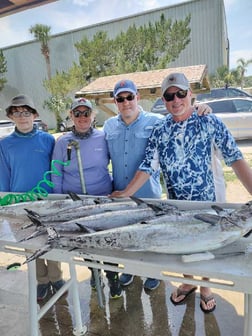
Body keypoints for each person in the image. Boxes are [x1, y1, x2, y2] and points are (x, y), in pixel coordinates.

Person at [110, 73, 252, 313]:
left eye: (181, 93)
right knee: (184, 248)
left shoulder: (210, 121)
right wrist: (126, 193)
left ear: (191, 94)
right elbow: (148, 166)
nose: (176, 99)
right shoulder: (160, 129)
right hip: (176, 209)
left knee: (206, 250)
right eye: (169, 95)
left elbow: (235, 158)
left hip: (207, 208)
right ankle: (188, 282)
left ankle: (205, 289)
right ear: (164, 101)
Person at [103, 79, 213, 291]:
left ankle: (154, 274)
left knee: (152, 238)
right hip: (121, 196)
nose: (126, 102)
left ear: (138, 97)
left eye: (130, 97)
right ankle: (130, 269)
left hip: (149, 196)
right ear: (115, 101)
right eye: (120, 98)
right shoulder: (108, 126)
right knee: (127, 237)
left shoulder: (156, 121)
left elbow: (181, 116)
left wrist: (200, 107)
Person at [51, 97, 122, 299]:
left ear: (93, 116)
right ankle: (94, 272)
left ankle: (112, 274)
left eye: (86, 113)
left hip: (102, 199)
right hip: (76, 202)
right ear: (71, 116)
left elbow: (115, 163)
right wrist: (59, 202)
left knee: (108, 240)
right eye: (78, 113)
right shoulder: (62, 142)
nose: (82, 117)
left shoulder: (103, 137)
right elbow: (56, 173)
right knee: (84, 240)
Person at [0, 94, 65, 302]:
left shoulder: (47, 140)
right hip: (19, 205)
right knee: (30, 244)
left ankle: (56, 277)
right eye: (17, 112)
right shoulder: (4, 144)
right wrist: (5, 204)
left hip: (48, 203)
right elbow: (3, 175)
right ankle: (42, 281)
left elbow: (56, 171)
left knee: (51, 239)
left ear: (34, 115)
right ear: (11, 116)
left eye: (26, 112)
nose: (22, 117)